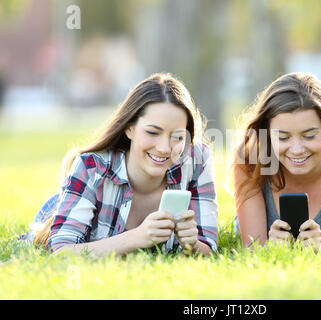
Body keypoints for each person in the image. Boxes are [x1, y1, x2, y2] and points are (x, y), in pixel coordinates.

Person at [22, 73, 218, 257]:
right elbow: (62, 253)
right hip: (62, 204)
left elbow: (208, 246)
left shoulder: (195, 159)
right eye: (152, 132)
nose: (165, 148)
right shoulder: (91, 167)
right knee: (38, 232)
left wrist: (192, 244)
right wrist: (137, 237)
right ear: (129, 128)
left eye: (177, 136)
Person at [232, 72, 321, 250]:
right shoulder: (250, 157)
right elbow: (252, 248)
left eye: (309, 136)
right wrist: (270, 249)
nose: (297, 149)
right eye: (283, 138)